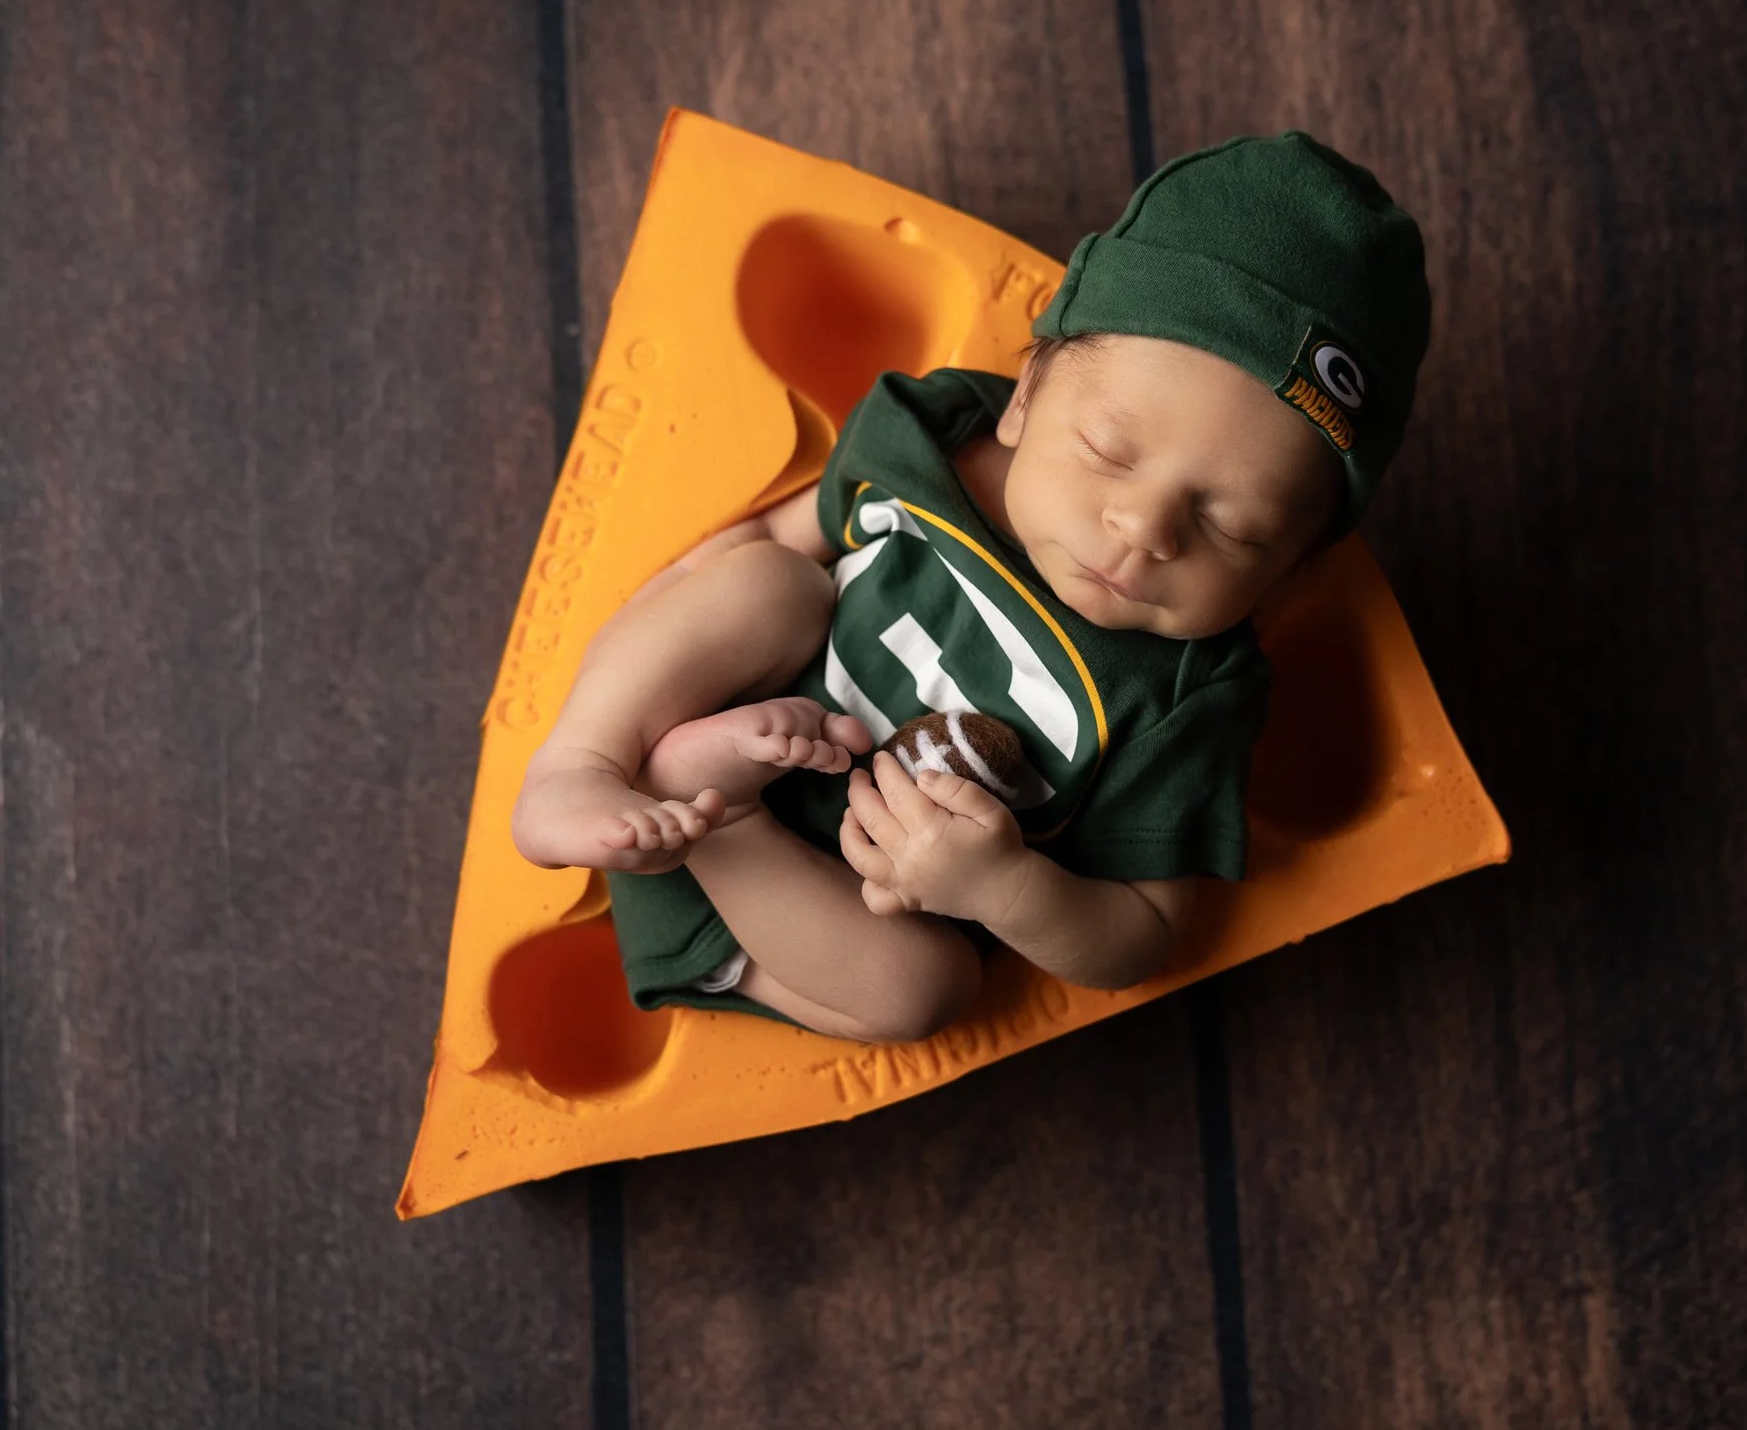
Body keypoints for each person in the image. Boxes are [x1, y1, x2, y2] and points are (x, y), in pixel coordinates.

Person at [510, 133, 1430, 1042]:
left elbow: (1143, 934)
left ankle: (720, 814)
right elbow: (743, 546)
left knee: (928, 989)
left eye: (1235, 529)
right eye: (1109, 452)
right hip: (677, 739)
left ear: (1292, 568)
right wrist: (639, 670)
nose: (1146, 530)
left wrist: (1002, 889)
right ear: (1026, 396)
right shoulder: (938, 436)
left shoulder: (1194, 695)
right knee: (764, 580)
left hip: (802, 917)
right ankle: (574, 766)